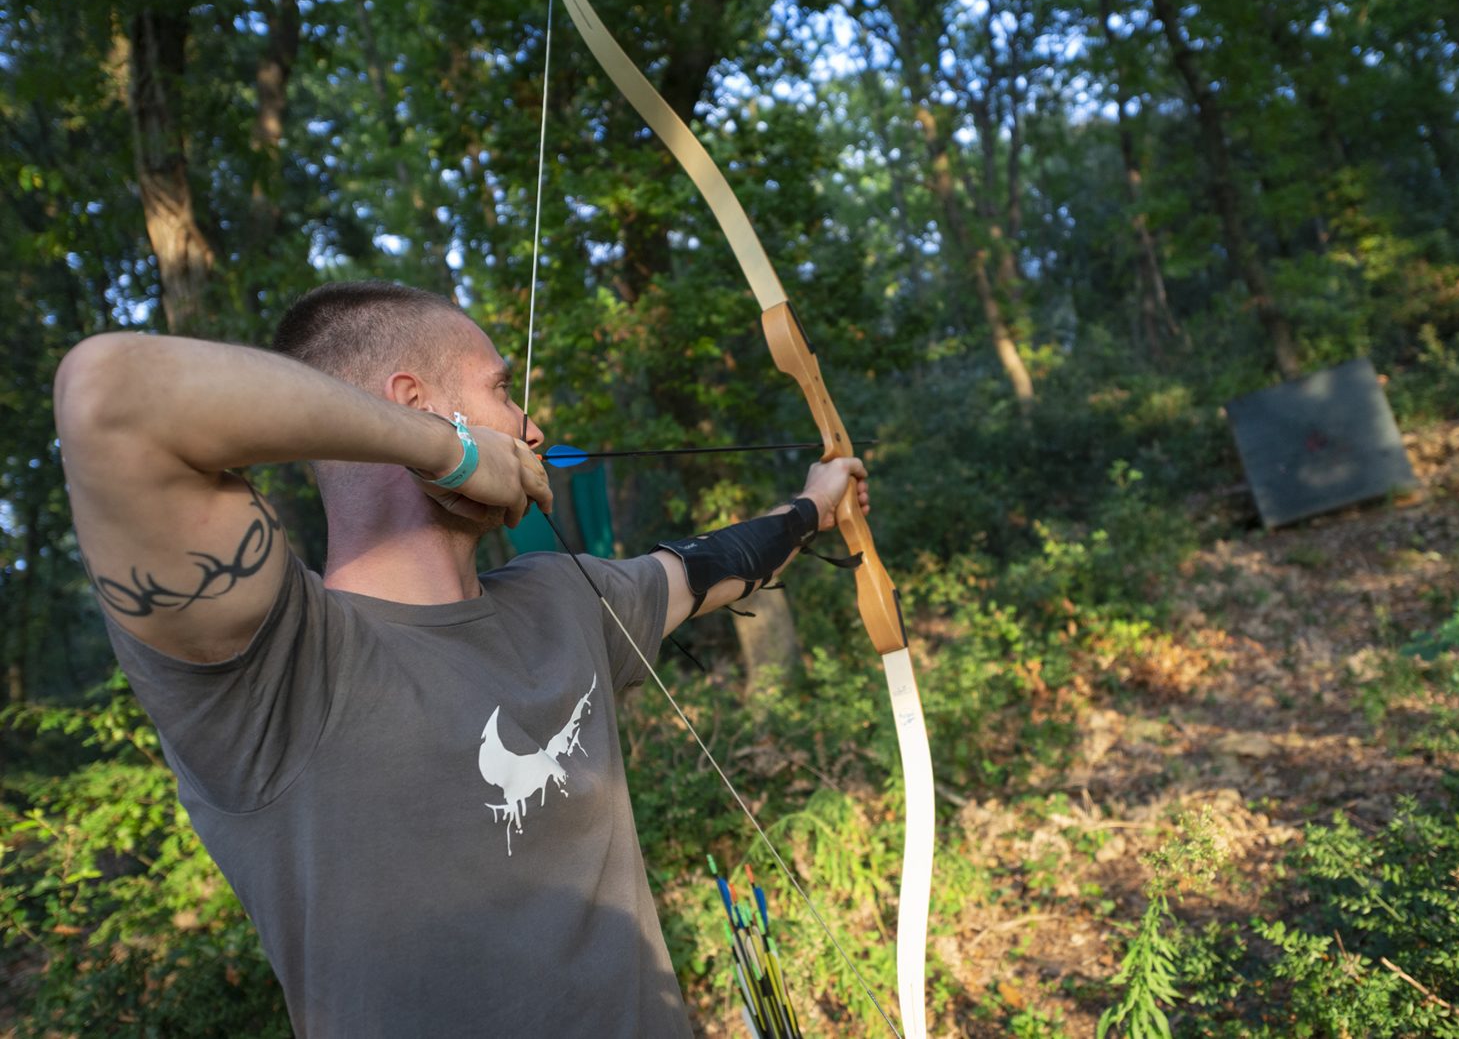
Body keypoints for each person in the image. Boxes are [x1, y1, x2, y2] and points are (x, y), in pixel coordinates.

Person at [51, 280, 869, 1038]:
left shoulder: (564, 598)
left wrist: (812, 507)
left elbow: (704, 566)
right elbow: (107, 395)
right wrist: (448, 452)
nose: (534, 427)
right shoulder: (276, 663)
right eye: (504, 391)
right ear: (415, 404)